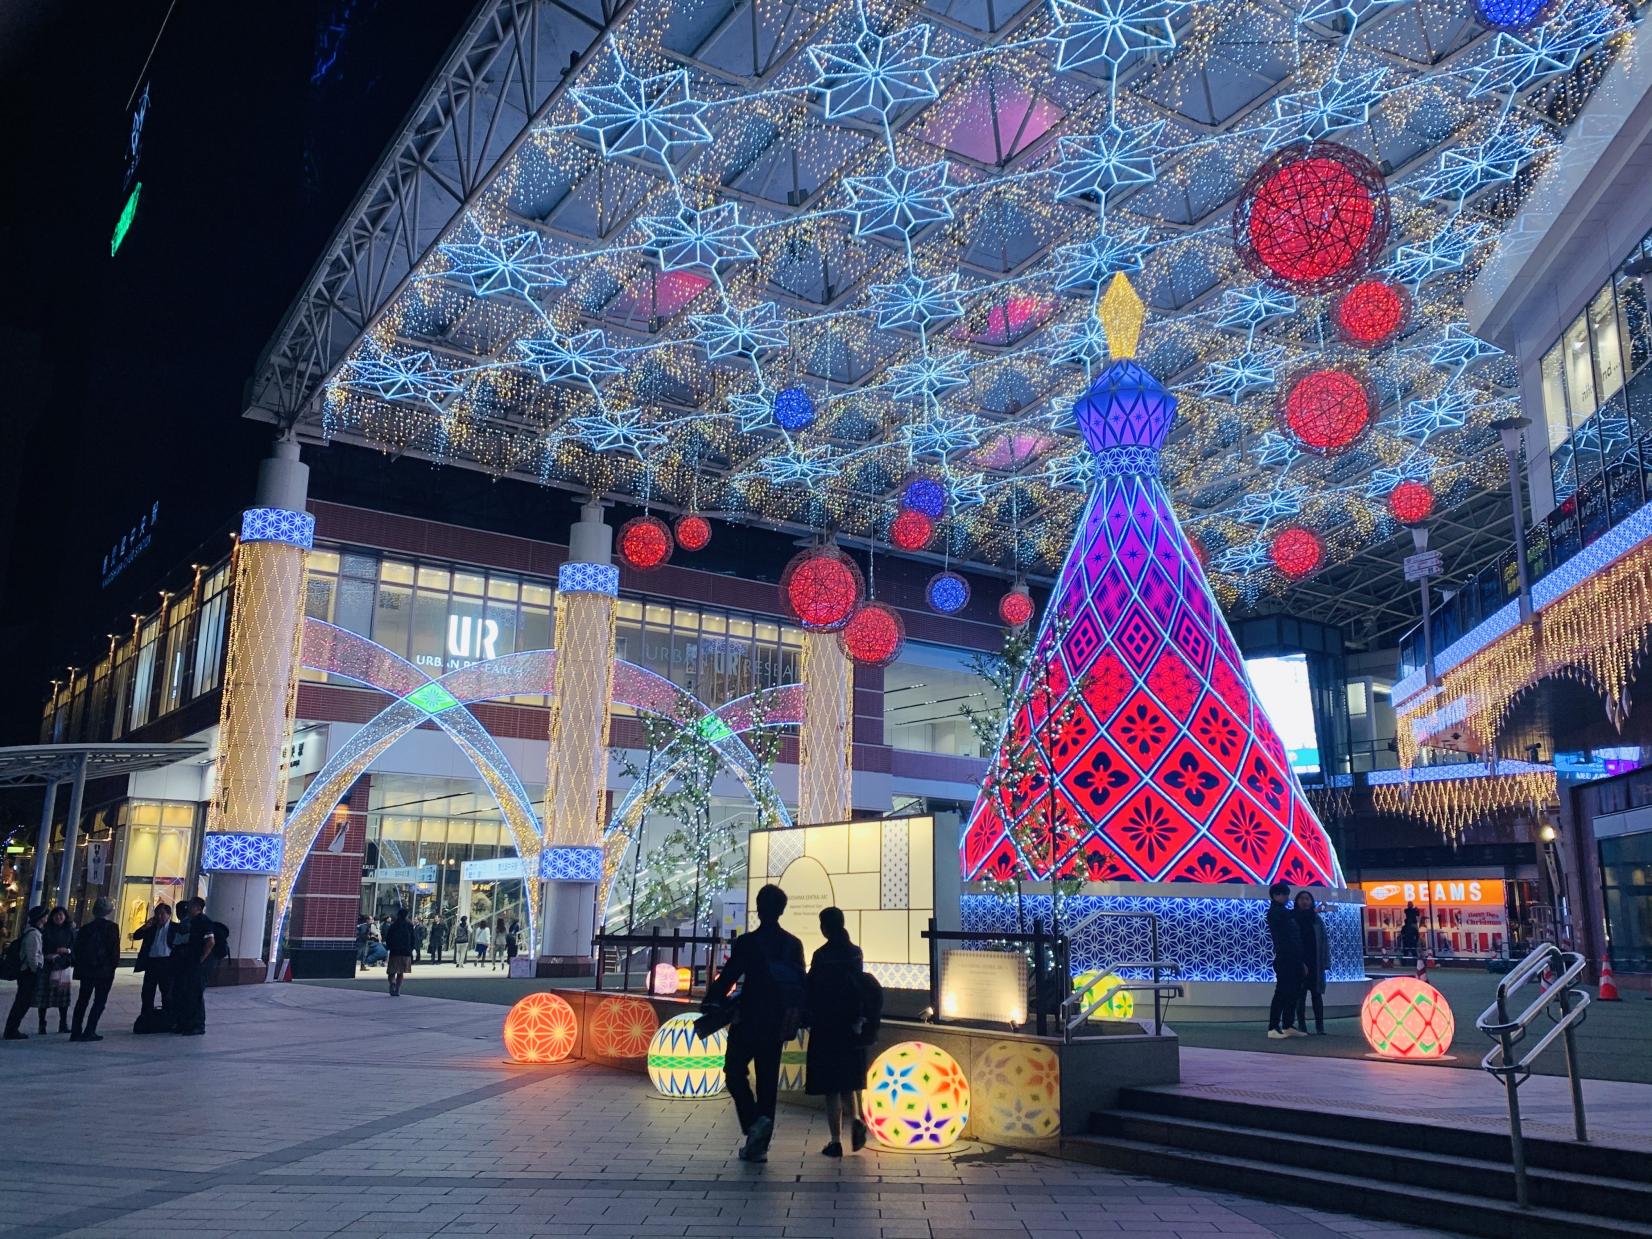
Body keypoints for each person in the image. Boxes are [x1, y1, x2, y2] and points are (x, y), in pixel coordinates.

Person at [706, 883, 805, 1164]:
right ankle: (759, 1145)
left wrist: (711, 1003)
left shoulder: (749, 942)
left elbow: (728, 978)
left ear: (760, 909)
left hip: (749, 1017)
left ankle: (753, 1125)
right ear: (782, 910)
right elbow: (800, 983)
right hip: (777, 1022)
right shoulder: (793, 943)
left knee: (734, 1071)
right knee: (767, 1081)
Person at [804, 907, 868, 1157]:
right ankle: (857, 1119)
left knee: (831, 1086)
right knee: (848, 1082)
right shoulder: (855, 953)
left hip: (826, 1025)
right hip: (851, 1026)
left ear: (825, 927)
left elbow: (811, 987)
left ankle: (835, 1140)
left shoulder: (822, 955)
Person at [70, 898, 121, 1042]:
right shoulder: (112, 928)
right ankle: (90, 1030)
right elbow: (114, 950)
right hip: (104, 970)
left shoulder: (86, 928)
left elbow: (78, 949)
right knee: (99, 1001)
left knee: (82, 999)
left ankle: (76, 1031)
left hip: (87, 969)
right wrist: (113, 966)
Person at [169, 898, 216, 1036]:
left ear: (197, 907)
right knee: (184, 992)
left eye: (189, 905)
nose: (187, 907)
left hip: (197, 965)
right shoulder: (189, 922)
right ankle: (184, 1022)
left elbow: (210, 941)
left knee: (195, 994)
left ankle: (197, 1025)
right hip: (186, 963)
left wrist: (201, 959)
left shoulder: (204, 921)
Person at [1266, 881, 1306, 1039]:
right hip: (1285, 958)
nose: (1287, 898)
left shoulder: (1282, 912)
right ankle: (1273, 1027)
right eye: (1284, 895)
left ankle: (1287, 1024)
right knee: (1282, 992)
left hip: (1292, 957)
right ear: (1276, 895)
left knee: (1292, 992)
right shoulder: (1277, 912)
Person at [4, 906, 48, 1040]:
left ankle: (12, 1029)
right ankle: (11, 1029)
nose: (47, 918)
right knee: (22, 1002)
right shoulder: (34, 934)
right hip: (28, 973)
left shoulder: (31, 932)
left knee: (22, 1001)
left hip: (27, 972)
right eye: (45, 915)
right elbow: (32, 956)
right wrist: (37, 970)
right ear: (40, 918)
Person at [1293, 890, 1329, 1035]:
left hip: (1315, 963)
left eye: (1307, 898)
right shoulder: (1293, 917)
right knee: (1300, 997)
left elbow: (1324, 941)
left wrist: (1326, 962)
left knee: (1317, 996)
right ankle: (1302, 1025)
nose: (1304, 901)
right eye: (1301, 898)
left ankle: (1320, 1027)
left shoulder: (1317, 920)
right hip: (1300, 963)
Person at [131, 902, 173, 1024]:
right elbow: (136, 936)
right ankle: (146, 1016)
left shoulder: (174, 928)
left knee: (167, 991)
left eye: (162, 914)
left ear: (169, 915)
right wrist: (146, 926)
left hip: (166, 963)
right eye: (157, 914)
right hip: (152, 962)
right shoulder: (151, 928)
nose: (160, 917)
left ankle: (168, 1017)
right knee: (148, 991)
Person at [38, 906, 76, 1034]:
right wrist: (48, 954)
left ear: (65, 917)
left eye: (61, 915)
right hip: (48, 966)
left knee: (63, 998)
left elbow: (74, 947)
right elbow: (41, 947)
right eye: (56, 915)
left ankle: (63, 1023)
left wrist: (68, 951)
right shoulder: (45, 931)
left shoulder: (70, 931)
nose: (58, 917)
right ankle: (42, 1024)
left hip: (63, 966)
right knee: (45, 998)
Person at [384, 906, 415, 996]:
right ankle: (397, 990)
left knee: (391, 971)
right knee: (401, 972)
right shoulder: (409, 925)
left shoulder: (394, 925)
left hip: (395, 951)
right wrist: (411, 948)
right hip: (406, 952)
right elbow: (413, 938)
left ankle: (392, 983)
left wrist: (389, 947)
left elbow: (388, 938)